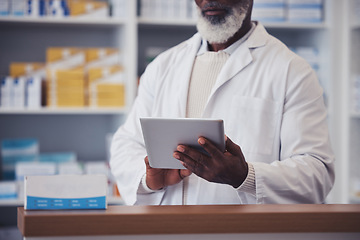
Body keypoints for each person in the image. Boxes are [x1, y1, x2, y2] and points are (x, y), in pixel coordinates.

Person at [110, 0, 335, 205]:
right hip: (170, 229)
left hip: (242, 232)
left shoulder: (291, 70)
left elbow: (317, 175)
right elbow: (126, 144)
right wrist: (149, 178)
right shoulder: (162, 66)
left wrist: (246, 177)